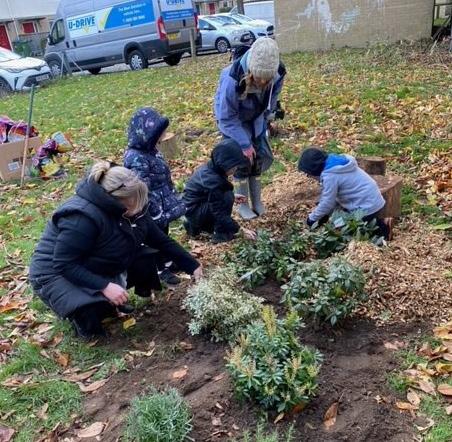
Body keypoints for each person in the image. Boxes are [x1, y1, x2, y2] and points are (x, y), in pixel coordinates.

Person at [29, 161, 202, 339]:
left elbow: (161, 241)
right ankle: (87, 323)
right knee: (91, 309)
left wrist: (192, 265)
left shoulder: (133, 209)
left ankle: (107, 303)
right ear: (114, 200)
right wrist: (104, 286)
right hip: (54, 273)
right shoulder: (81, 217)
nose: (138, 210)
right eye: (133, 205)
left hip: (90, 259)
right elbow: (65, 264)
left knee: (143, 258)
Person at [214, 37, 286, 220]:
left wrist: (264, 123)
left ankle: (257, 202)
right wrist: (244, 144)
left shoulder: (278, 73)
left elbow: (271, 101)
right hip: (233, 121)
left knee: (258, 158)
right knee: (242, 161)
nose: (262, 82)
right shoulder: (232, 78)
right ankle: (242, 205)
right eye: (259, 77)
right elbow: (226, 117)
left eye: (266, 79)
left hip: (256, 117)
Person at [124, 107, 186, 285]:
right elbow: (142, 189)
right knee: (155, 239)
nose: (164, 135)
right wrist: (153, 210)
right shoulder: (137, 158)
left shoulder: (152, 150)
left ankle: (167, 261)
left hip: (161, 204)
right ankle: (160, 269)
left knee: (164, 234)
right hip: (151, 209)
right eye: (160, 132)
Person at [297, 147, 393, 240]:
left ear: (314, 170)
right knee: (339, 213)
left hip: (366, 205)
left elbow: (327, 203)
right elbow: (332, 199)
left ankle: (383, 229)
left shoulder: (330, 176)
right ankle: (378, 220)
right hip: (372, 197)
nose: (309, 177)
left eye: (309, 174)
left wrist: (311, 219)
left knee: (340, 226)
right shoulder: (338, 163)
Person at [182, 139, 255, 243]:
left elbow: (211, 195)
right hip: (194, 213)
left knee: (227, 195)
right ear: (225, 164)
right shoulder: (213, 181)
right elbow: (219, 212)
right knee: (226, 197)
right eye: (234, 167)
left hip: (192, 209)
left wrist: (233, 196)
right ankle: (220, 234)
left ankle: (195, 227)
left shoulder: (211, 168)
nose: (236, 169)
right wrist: (240, 230)